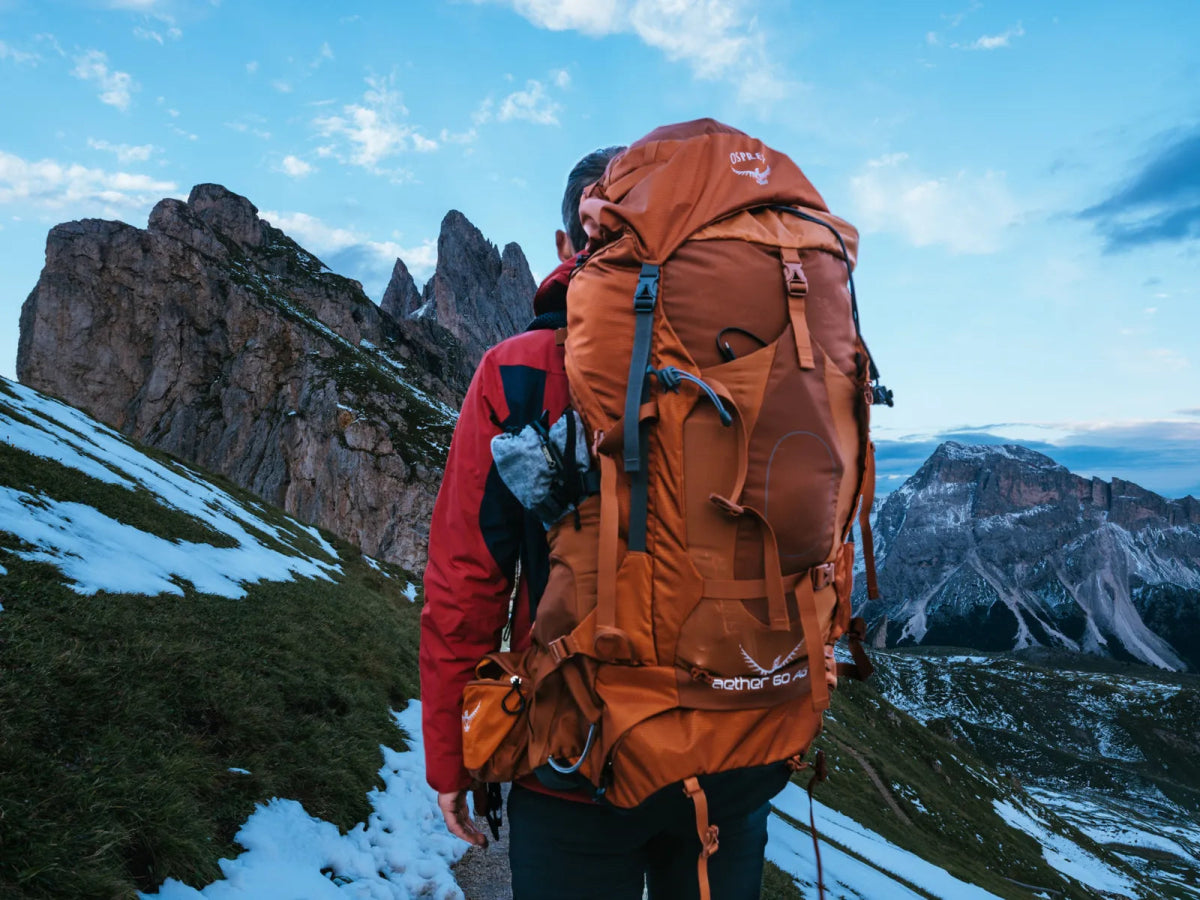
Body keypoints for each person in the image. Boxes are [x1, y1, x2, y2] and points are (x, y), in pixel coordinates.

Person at [419, 145, 789, 900]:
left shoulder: (518, 369)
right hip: (731, 750)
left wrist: (453, 762)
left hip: (573, 758)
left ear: (568, 245)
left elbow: (466, 584)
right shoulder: (759, 358)